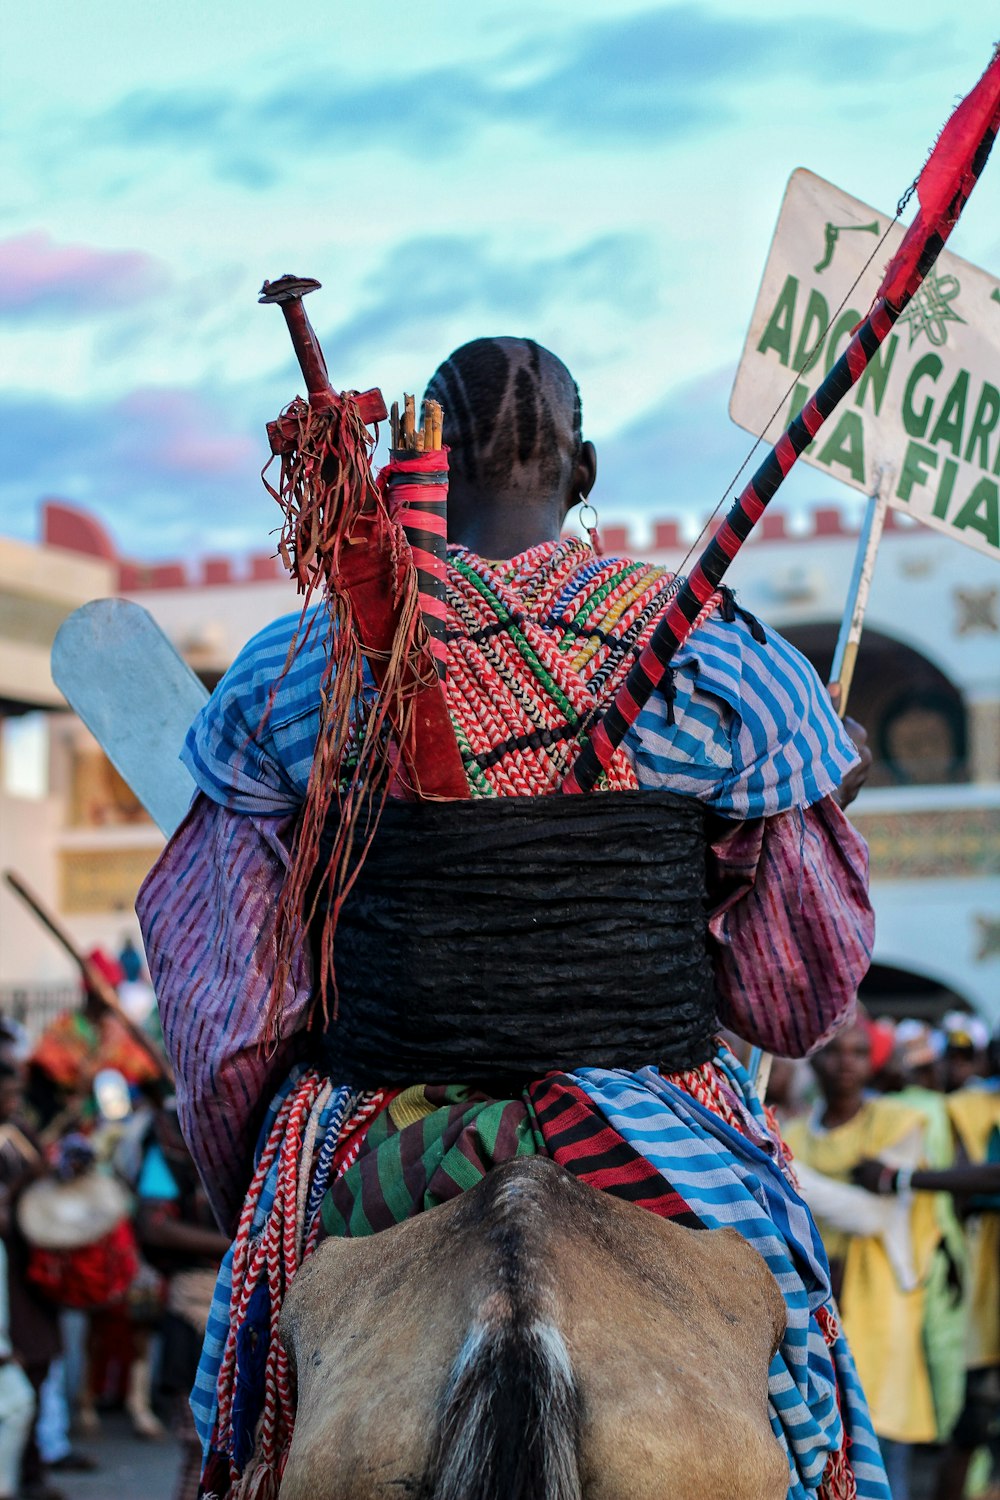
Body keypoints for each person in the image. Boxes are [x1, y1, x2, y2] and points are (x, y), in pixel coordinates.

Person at [139, 336, 885, 1499]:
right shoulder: (725, 665)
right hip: (666, 1119)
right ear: (581, 472)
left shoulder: (296, 670)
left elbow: (226, 1004)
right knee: (813, 1402)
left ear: (411, 462)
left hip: (368, 1108)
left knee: (250, 1421)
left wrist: (250, 1171)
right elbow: (793, 999)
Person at [784, 1018, 945, 1500]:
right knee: (822, 1441)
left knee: (878, 1433)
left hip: (879, 1307)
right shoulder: (793, 1130)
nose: (847, 1061)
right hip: (815, 1309)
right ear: (816, 1059)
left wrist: (787, 1172)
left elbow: (875, 1215)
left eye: (859, 1051)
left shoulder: (897, 1122)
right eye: (835, 1051)